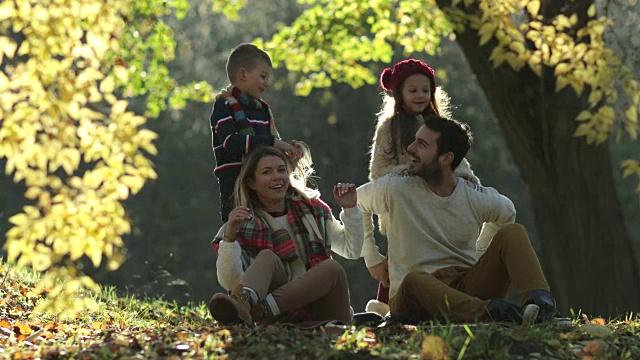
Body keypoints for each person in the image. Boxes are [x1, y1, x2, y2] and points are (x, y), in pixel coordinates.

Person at [357, 115, 557, 325]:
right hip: (412, 297)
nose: (410, 148)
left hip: (464, 286)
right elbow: (356, 202)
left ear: (446, 158)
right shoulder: (396, 188)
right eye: (415, 140)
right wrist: (372, 257)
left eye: (422, 144)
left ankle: (543, 309)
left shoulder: (472, 195)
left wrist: (479, 255)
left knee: (513, 233)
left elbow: (507, 212)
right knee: (416, 279)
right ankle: (497, 314)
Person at [365, 59, 481, 316]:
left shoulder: (440, 125)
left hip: (437, 204)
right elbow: (378, 171)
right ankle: (390, 305)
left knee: (439, 252)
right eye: (413, 90)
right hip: (404, 208)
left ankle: (446, 299)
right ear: (399, 93)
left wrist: (468, 178)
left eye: (425, 90)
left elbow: (456, 159)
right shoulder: (390, 128)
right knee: (402, 257)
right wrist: (404, 172)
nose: (420, 96)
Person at [209, 144, 364, 326]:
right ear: (252, 182)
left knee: (332, 268)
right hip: (279, 316)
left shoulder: (313, 210)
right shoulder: (242, 223)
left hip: (323, 310)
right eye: (267, 172)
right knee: (267, 257)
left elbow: (352, 250)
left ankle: (258, 310)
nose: (277, 177)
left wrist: (350, 209)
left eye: (281, 170)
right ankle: (244, 306)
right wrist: (229, 237)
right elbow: (230, 281)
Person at [210, 43, 301, 222]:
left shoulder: (263, 111)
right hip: (236, 189)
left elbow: (270, 149)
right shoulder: (225, 106)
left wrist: (288, 153)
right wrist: (273, 143)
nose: (267, 84)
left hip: (264, 188)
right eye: (263, 77)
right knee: (241, 234)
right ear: (243, 74)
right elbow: (232, 142)